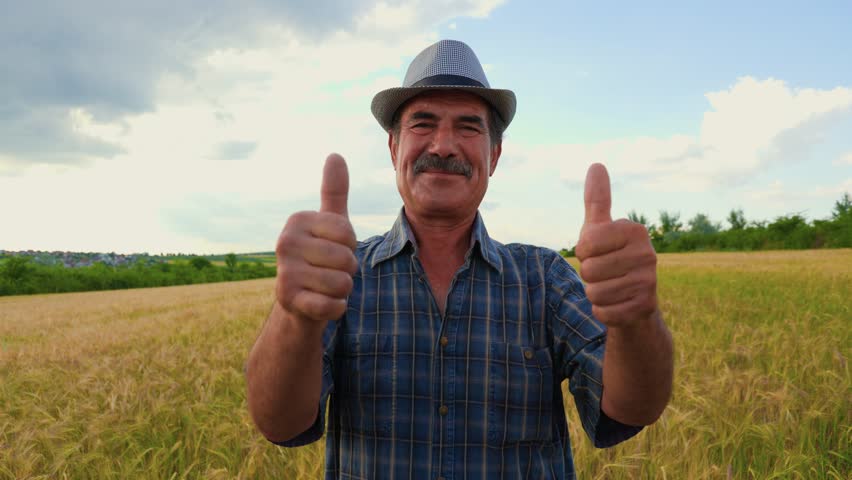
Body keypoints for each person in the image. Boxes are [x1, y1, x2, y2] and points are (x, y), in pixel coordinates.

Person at [246, 39, 674, 479]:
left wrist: (637, 320)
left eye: (468, 127)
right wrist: (293, 314)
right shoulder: (340, 277)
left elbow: (632, 408)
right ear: (393, 148)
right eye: (423, 124)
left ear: (495, 155)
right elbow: (279, 424)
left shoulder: (543, 279)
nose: (444, 145)